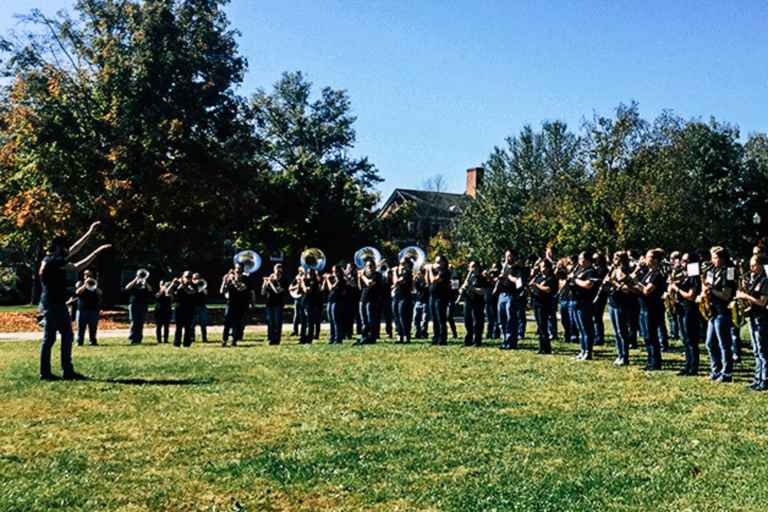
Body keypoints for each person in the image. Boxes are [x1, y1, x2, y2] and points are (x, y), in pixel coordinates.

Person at [38, 222, 111, 381]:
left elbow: (75, 248)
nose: (67, 249)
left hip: (51, 302)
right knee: (58, 336)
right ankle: (59, 371)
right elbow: (78, 267)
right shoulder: (54, 261)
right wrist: (96, 252)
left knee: (55, 337)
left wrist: (90, 231)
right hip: (54, 304)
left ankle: (51, 372)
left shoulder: (49, 258)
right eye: (64, 247)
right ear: (58, 247)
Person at [701, 246, 736, 383]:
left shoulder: (730, 271)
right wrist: (705, 291)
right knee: (709, 343)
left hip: (723, 311)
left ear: (722, 258)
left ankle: (727, 373)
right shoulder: (711, 270)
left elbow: (726, 295)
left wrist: (712, 291)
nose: (712, 260)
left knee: (724, 344)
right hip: (712, 311)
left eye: (715, 257)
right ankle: (715, 370)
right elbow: (707, 286)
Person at [735, 254, 768, 390]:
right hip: (752, 317)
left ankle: (765, 379)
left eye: (754, 265)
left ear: (761, 265)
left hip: (762, 317)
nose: (751, 268)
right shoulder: (753, 279)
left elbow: (762, 302)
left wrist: (745, 295)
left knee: (763, 350)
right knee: (755, 350)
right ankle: (757, 378)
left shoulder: (765, 281)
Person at [669, 253, 702, 375]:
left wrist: (676, 289)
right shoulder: (684, 274)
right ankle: (687, 364)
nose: (683, 263)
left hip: (689, 309)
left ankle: (693, 367)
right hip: (681, 308)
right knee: (685, 339)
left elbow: (691, 296)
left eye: (685, 261)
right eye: (682, 261)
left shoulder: (694, 275)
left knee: (691, 339)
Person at [635, 249, 666, 371]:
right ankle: (650, 360)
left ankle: (656, 362)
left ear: (655, 260)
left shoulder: (657, 274)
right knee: (646, 336)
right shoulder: (648, 272)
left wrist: (635, 282)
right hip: (643, 307)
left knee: (652, 335)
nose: (645, 259)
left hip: (652, 308)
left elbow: (647, 290)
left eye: (648, 257)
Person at [605, 252, 635, 366]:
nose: (614, 260)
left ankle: (625, 356)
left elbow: (625, 288)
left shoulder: (625, 270)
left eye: (616, 258)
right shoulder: (613, 269)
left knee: (622, 331)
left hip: (621, 303)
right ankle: (620, 354)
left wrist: (612, 281)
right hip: (612, 301)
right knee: (616, 331)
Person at [569, 252, 599, 361]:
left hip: (585, 302)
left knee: (586, 329)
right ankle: (582, 350)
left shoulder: (591, 271)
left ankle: (588, 351)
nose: (579, 260)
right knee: (580, 329)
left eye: (581, 258)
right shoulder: (578, 270)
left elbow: (588, 285)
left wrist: (575, 279)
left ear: (586, 260)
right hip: (576, 301)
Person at [496, 251, 523, 350]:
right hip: (501, 295)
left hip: (511, 295)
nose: (508, 258)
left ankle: (511, 342)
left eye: (510, 256)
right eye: (506, 256)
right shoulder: (503, 267)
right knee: (501, 319)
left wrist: (508, 276)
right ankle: (504, 341)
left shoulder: (517, 269)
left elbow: (519, 282)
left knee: (510, 319)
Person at [221, 264, 254, 346]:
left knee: (237, 323)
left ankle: (234, 340)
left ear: (242, 270)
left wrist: (234, 280)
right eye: (236, 268)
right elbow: (222, 291)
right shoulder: (229, 278)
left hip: (241, 304)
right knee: (227, 322)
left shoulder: (246, 279)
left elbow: (241, 288)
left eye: (239, 269)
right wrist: (224, 281)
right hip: (230, 303)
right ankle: (224, 340)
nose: (237, 270)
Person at [530, 258, 556, 354]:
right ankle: (541, 347)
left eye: (544, 267)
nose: (542, 269)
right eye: (541, 267)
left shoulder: (551, 278)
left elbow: (548, 289)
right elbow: (533, 288)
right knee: (540, 327)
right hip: (536, 302)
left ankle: (546, 348)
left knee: (543, 326)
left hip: (544, 304)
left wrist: (537, 285)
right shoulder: (539, 277)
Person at [460, 260, 488, 347]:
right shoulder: (467, 277)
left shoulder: (481, 278)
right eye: (471, 266)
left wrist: (472, 288)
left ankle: (477, 341)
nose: (473, 268)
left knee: (477, 322)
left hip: (477, 302)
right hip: (468, 301)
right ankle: (468, 340)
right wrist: (462, 289)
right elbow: (462, 288)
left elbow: (483, 291)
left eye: (475, 266)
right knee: (467, 321)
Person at [356, 258, 384, 345]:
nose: (370, 267)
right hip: (363, 299)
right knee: (363, 320)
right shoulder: (365, 275)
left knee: (370, 319)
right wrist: (359, 278)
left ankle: (372, 337)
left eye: (371, 266)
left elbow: (369, 283)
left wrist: (362, 276)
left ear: (374, 267)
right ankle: (364, 336)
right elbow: (360, 287)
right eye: (368, 266)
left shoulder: (377, 275)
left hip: (372, 300)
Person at [427, 255, 452, 346]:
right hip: (432, 296)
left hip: (441, 297)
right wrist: (428, 271)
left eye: (439, 262)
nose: (437, 264)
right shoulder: (436, 271)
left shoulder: (445, 272)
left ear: (444, 262)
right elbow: (428, 281)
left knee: (441, 319)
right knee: (434, 318)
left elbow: (434, 280)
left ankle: (442, 339)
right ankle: (435, 338)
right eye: (436, 262)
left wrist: (429, 269)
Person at [125, 270, 153, 345]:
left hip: (143, 305)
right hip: (133, 304)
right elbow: (127, 288)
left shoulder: (145, 284)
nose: (141, 277)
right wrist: (136, 279)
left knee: (140, 322)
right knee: (134, 321)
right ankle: (132, 337)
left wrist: (145, 281)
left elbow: (150, 290)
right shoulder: (134, 284)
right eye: (141, 275)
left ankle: (139, 338)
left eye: (142, 276)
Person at [74, 269, 102, 346]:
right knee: (81, 327)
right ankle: (80, 341)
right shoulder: (80, 283)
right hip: (82, 309)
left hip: (93, 309)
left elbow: (100, 293)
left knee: (93, 327)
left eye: (90, 275)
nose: (88, 276)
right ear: (84, 276)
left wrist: (95, 287)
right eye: (86, 275)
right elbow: (77, 292)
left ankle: (93, 341)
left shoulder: (94, 283)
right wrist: (85, 285)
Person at [322, 265, 348, 344]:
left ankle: (338, 338)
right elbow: (323, 289)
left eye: (335, 271)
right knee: (331, 320)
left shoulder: (340, 280)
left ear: (339, 272)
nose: (334, 273)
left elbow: (331, 288)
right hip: (330, 300)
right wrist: (325, 280)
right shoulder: (333, 279)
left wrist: (327, 279)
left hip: (337, 301)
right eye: (333, 271)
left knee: (336, 320)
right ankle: (332, 337)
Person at [260, 264, 285, 345]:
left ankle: (277, 339)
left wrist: (271, 283)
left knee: (277, 322)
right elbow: (263, 292)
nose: (277, 272)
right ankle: (270, 338)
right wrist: (265, 283)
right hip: (269, 303)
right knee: (270, 322)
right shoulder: (271, 280)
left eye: (279, 271)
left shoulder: (283, 280)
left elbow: (277, 291)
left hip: (278, 304)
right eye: (276, 270)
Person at [171, 271, 197, 347]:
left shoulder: (193, 285)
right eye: (187, 277)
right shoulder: (177, 284)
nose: (188, 279)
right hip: (179, 308)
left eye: (190, 277)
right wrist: (173, 284)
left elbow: (191, 292)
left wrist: (183, 286)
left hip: (189, 308)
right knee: (178, 327)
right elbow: (168, 292)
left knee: (188, 327)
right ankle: (176, 343)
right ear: (182, 277)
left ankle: (187, 343)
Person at [392, 258, 415, 343]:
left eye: (403, 264)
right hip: (397, 296)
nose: (401, 265)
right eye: (400, 263)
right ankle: (399, 335)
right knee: (396, 316)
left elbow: (396, 282)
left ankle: (406, 335)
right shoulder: (400, 273)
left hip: (405, 297)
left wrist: (394, 272)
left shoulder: (408, 273)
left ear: (407, 265)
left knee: (403, 317)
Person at [299, 268, 321, 344]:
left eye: (309, 273)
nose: (308, 275)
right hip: (303, 302)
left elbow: (307, 290)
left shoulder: (313, 281)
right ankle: (302, 337)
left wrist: (302, 282)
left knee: (310, 322)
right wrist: (300, 282)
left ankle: (309, 338)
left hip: (311, 303)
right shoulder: (306, 280)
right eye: (307, 273)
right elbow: (299, 291)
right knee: (303, 322)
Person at [191, 273, 209, 343]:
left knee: (203, 323)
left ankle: (204, 338)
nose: (196, 280)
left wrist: (203, 287)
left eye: (198, 278)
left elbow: (206, 293)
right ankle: (192, 337)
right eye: (195, 278)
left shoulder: (202, 285)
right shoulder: (190, 285)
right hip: (193, 306)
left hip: (202, 306)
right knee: (192, 324)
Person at [413, 267, 430, 339]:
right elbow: (414, 288)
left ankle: (424, 333)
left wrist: (425, 278)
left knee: (424, 319)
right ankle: (417, 333)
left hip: (426, 301)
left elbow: (427, 286)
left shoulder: (427, 281)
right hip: (418, 301)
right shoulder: (417, 281)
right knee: (416, 318)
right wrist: (414, 279)